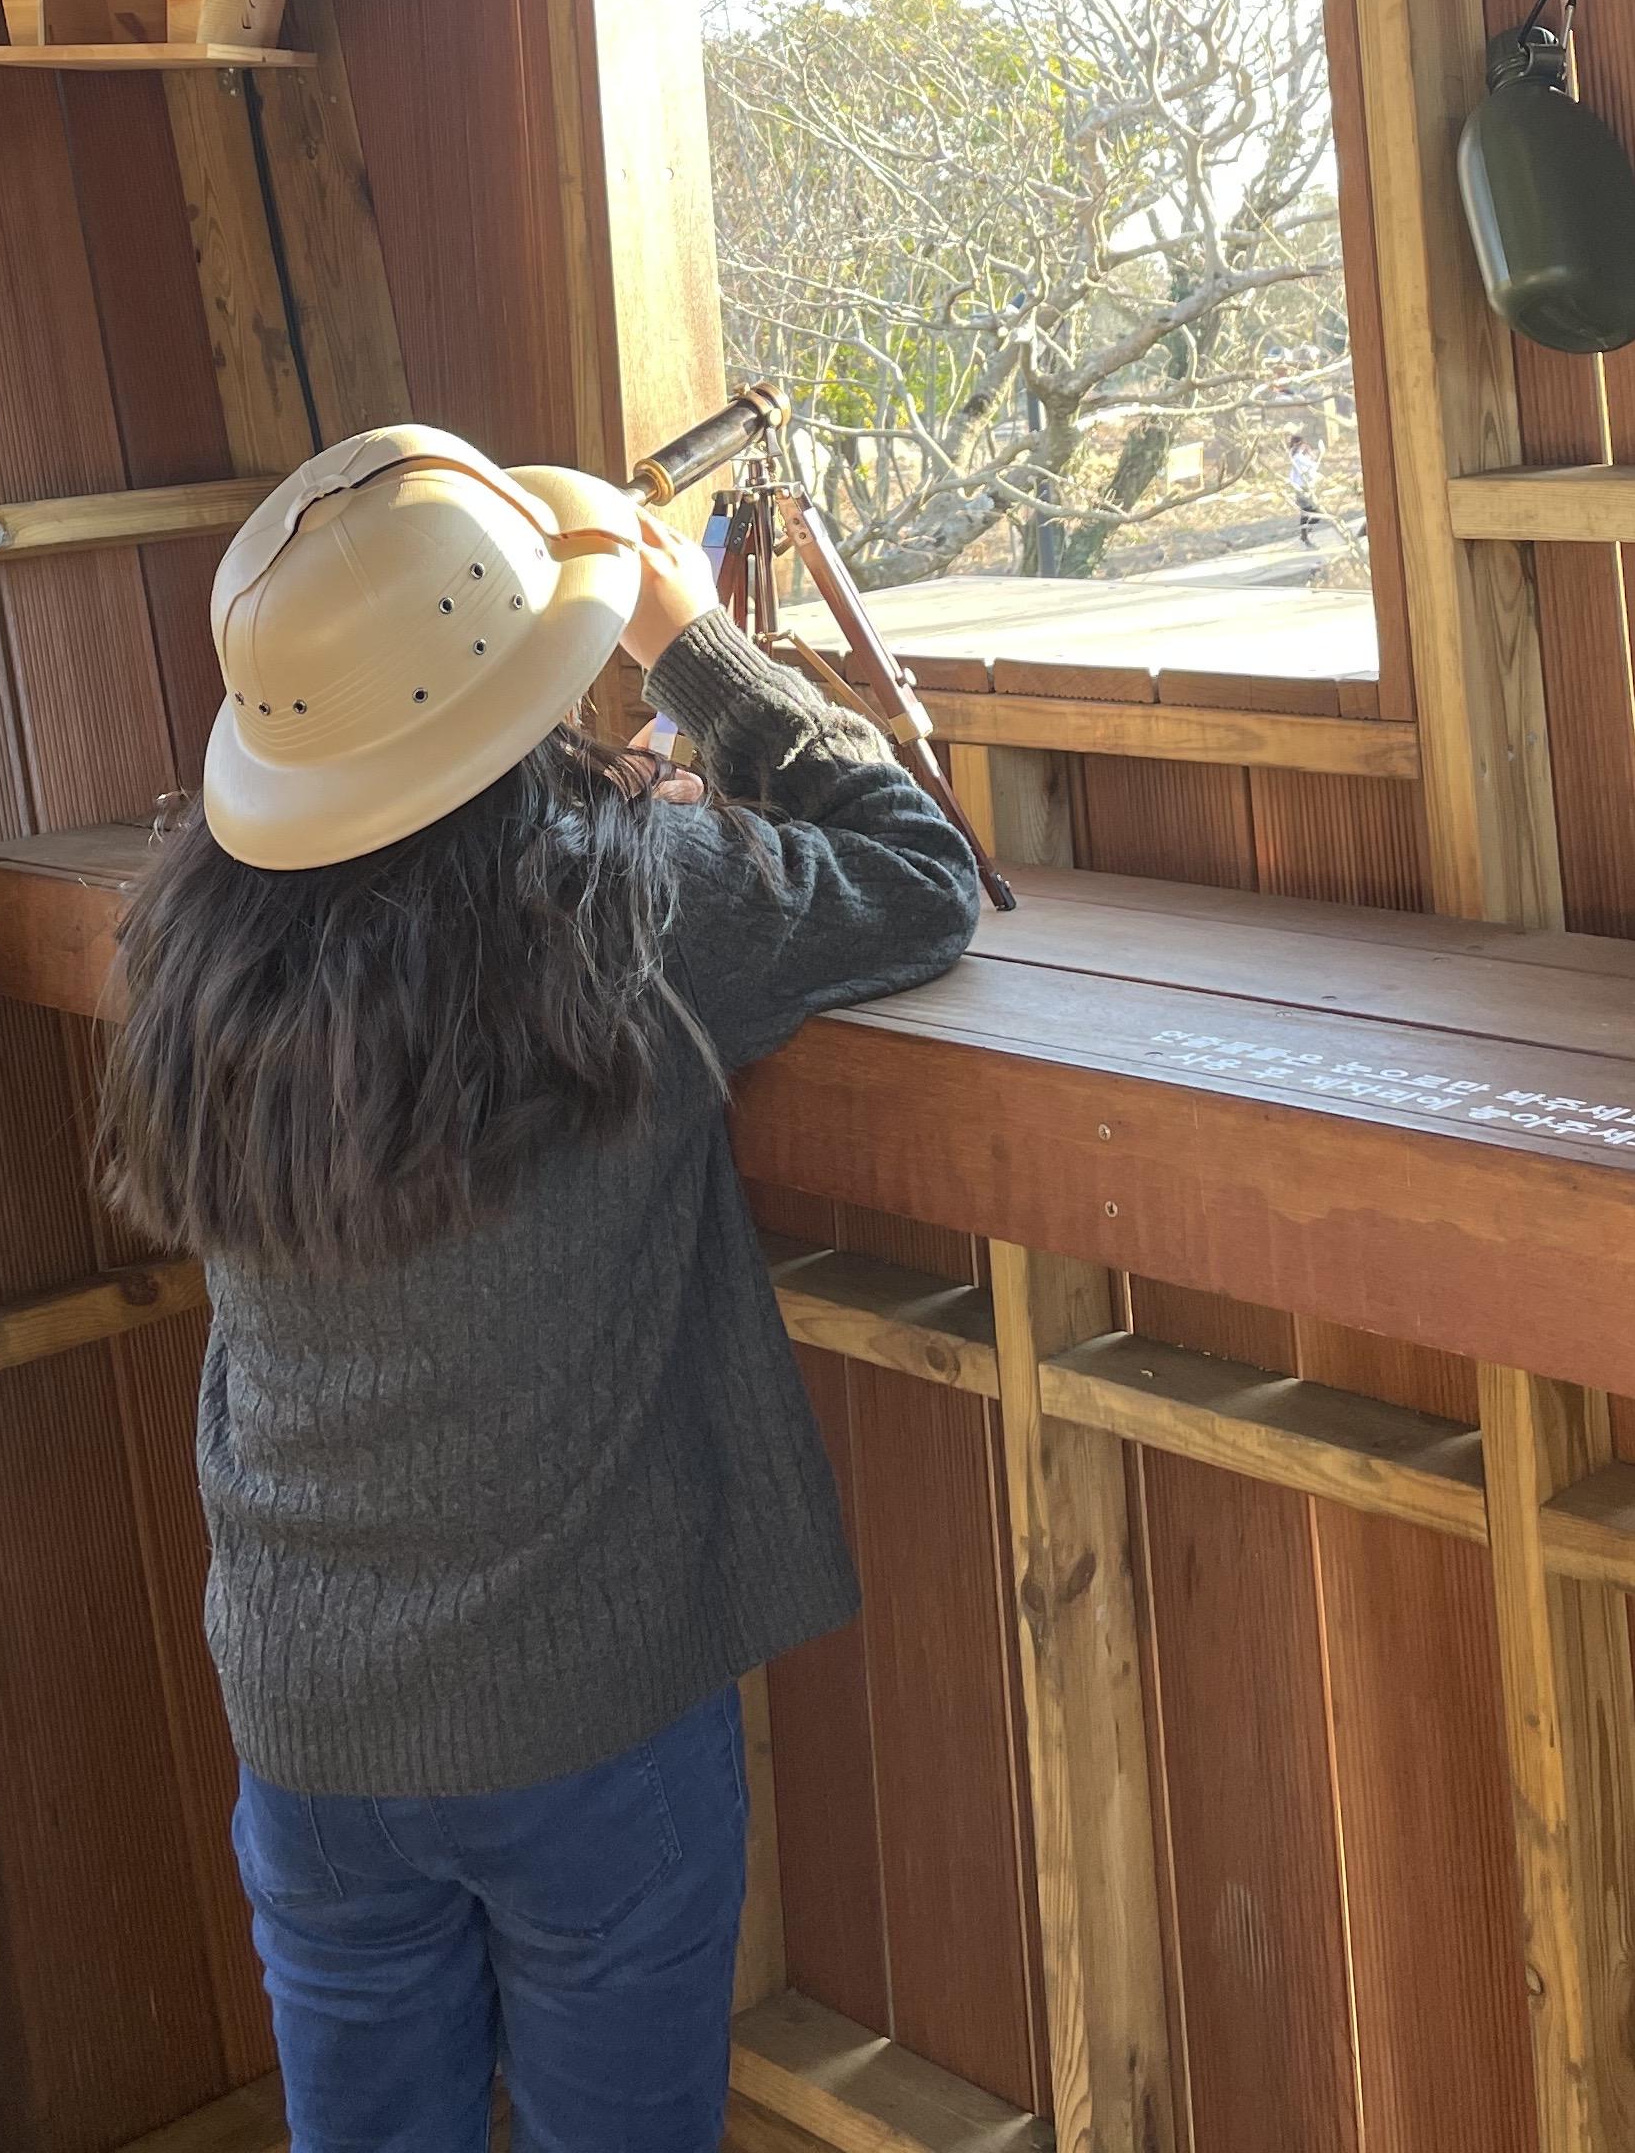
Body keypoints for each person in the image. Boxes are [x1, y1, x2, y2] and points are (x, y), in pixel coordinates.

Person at [103, 420, 985, 2153]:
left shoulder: (190, 944)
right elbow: (920, 871)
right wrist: (689, 645)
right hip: (586, 1708)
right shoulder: (630, 901)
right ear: (521, 676)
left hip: (307, 1713)